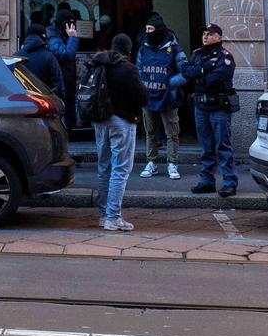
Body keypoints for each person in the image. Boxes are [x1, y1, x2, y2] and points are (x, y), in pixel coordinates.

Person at [90, 33, 145, 232]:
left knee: (104, 167)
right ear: (128, 49)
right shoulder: (127, 69)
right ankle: (113, 217)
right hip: (122, 121)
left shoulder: (98, 64)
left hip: (99, 121)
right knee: (120, 169)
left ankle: (104, 214)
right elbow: (142, 97)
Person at [184, 23, 239, 197]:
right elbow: (186, 72)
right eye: (204, 34)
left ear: (219, 37)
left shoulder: (225, 56)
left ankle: (229, 182)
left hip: (218, 108)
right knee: (206, 146)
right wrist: (202, 70)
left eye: (210, 34)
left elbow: (214, 80)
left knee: (222, 145)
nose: (205, 37)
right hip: (201, 106)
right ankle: (207, 181)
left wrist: (197, 74)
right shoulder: (197, 54)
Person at [135, 13, 184, 180]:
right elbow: (138, 69)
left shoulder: (175, 49)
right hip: (148, 98)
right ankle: (152, 162)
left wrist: (171, 83)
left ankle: (172, 163)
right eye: (146, 29)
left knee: (172, 133)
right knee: (150, 132)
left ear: (159, 30)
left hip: (168, 98)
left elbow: (185, 72)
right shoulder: (143, 47)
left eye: (150, 29)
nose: (147, 32)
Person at [47, 16, 82, 131]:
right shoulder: (53, 36)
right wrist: (72, 38)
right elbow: (65, 55)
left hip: (68, 81)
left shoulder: (60, 35)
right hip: (61, 82)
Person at [16, 25, 60, 93]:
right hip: (43, 100)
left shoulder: (16, 57)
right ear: (43, 36)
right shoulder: (48, 57)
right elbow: (58, 85)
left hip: (21, 100)